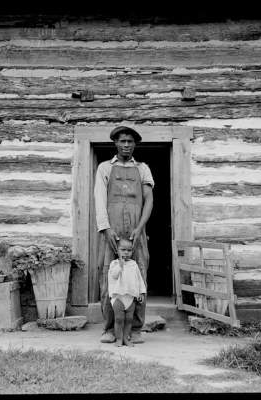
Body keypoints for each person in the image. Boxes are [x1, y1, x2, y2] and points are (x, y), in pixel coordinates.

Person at [94, 125, 154, 343]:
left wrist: (140, 228)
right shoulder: (104, 168)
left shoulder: (143, 169)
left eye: (130, 141)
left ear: (135, 144)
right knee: (108, 278)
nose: (126, 145)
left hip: (137, 231)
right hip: (112, 230)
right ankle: (110, 329)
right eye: (122, 141)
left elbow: (149, 200)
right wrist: (106, 228)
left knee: (139, 278)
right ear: (116, 143)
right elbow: (99, 200)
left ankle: (136, 329)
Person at [108, 238, 146, 347]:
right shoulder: (114, 263)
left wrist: (141, 292)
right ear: (117, 251)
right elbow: (114, 275)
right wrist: (120, 265)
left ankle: (126, 338)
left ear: (132, 252)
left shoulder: (134, 264)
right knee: (119, 319)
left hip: (130, 297)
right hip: (118, 297)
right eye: (123, 250)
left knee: (129, 319)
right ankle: (119, 339)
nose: (126, 252)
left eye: (129, 250)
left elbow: (139, 279)